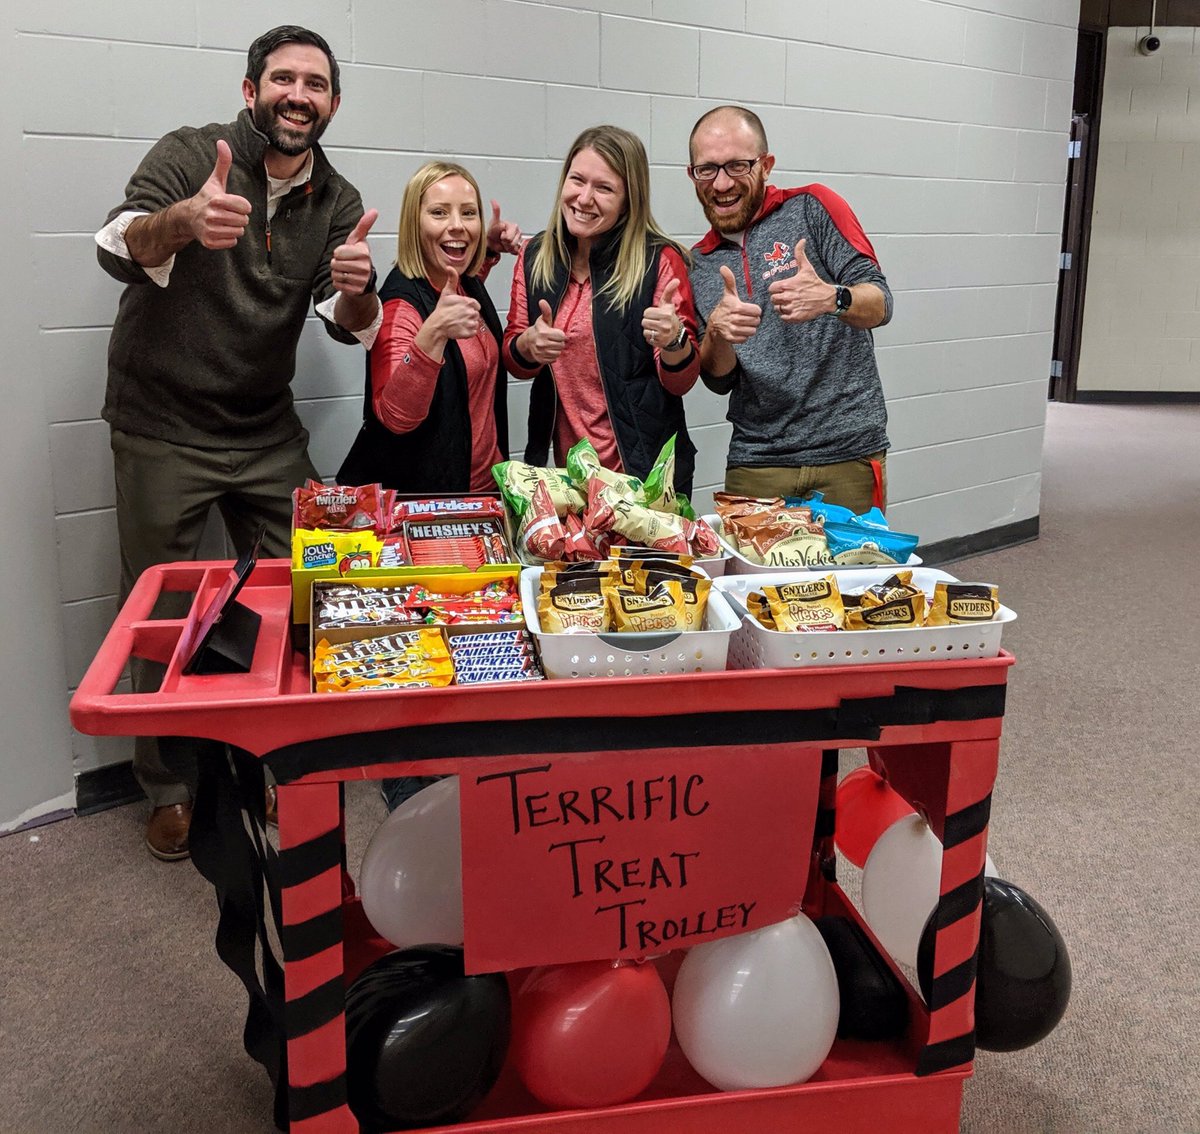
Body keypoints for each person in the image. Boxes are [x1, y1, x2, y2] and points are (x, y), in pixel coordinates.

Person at [95, 26, 381, 862]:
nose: (300, 95)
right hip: (161, 426)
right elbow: (117, 244)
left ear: (332, 103)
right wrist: (180, 221)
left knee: (313, 580)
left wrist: (360, 294)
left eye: (317, 84)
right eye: (283, 79)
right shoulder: (191, 155)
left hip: (262, 428)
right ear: (251, 89)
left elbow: (345, 319)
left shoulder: (337, 197)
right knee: (162, 611)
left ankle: (280, 761)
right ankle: (169, 789)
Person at [335, 160, 522, 813]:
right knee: (421, 673)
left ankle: (465, 797)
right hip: (417, 517)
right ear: (415, 221)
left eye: (467, 212)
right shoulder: (402, 301)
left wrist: (490, 260)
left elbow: (481, 370)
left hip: (474, 507)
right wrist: (433, 338)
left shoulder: (464, 283)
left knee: (471, 654)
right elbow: (395, 415)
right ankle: (414, 808)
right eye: (439, 212)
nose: (456, 224)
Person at [686, 105, 893, 513]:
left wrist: (833, 297)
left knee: (853, 577)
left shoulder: (812, 207)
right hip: (757, 461)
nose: (721, 183)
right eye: (706, 169)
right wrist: (716, 333)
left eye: (737, 166)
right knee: (752, 579)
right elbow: (719, 380)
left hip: (847, 452)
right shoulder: (699, 262)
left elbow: (881, 301)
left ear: (766, 165)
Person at [502, 124, 701, 496]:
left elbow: (681, 382)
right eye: (577, 180)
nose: (584, 198)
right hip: (568, 479)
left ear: (629, 200)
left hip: (643, 479)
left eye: (604, 188)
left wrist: (674, 341)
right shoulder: (535, 257)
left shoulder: (658, 260)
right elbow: (516, 359)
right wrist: (527, 346)